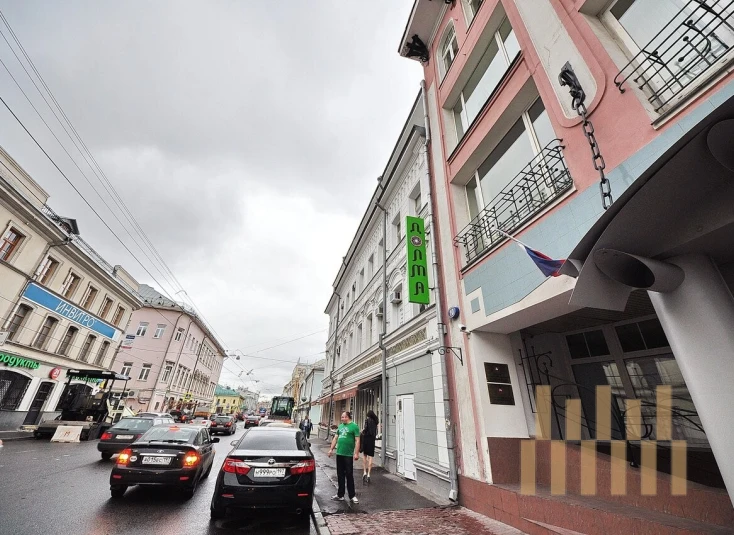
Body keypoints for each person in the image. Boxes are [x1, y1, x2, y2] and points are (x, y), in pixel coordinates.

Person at [328, 411, 360, 504]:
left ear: (348, 417)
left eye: (343, 417)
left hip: (348, 455)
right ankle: (340, 495)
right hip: (339, 453)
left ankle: (352, 495)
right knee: (340, 474)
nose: (342, 419)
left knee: (349, 474)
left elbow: (357, 440)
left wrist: (356, 453)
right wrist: (331, 449)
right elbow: (335, 438)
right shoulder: (340, 426)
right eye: (341, 417)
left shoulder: (354, 426)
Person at [360, 410, 378, 483]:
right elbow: (375, 432)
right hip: (372, 440)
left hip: (366, 439)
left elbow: (365, 429)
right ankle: (369, 474)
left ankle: (364, 472)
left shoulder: (367, 420)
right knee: (370, 457)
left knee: (365, 456)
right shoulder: (376, 422)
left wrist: (362, 431)